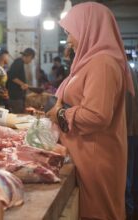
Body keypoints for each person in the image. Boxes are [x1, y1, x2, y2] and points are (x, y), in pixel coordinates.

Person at [46, 2, 135, 220]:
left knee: (97, 213)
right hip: (83, 151)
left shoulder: (102, 64)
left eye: (71, 32)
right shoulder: (88, 62)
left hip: (96, 156)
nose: (68, 40)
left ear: (89, 28)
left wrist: (59, 114)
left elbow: (97, 116)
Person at [125, 66, 138, 220]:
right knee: (133, 172)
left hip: (127, 130)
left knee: (127, 174)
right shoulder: (130, 70)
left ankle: (128, 210)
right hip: (134, 129)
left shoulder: (117, 68)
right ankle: (132, 208)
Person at [7, 48, 35, 113]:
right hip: (15, 97)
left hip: (18, 96)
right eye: (31, 59)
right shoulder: (18, 63)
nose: (30, 61)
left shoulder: (20, 63)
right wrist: (22, 84)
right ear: (29, 56)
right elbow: (12, 76)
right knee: (18, 116)